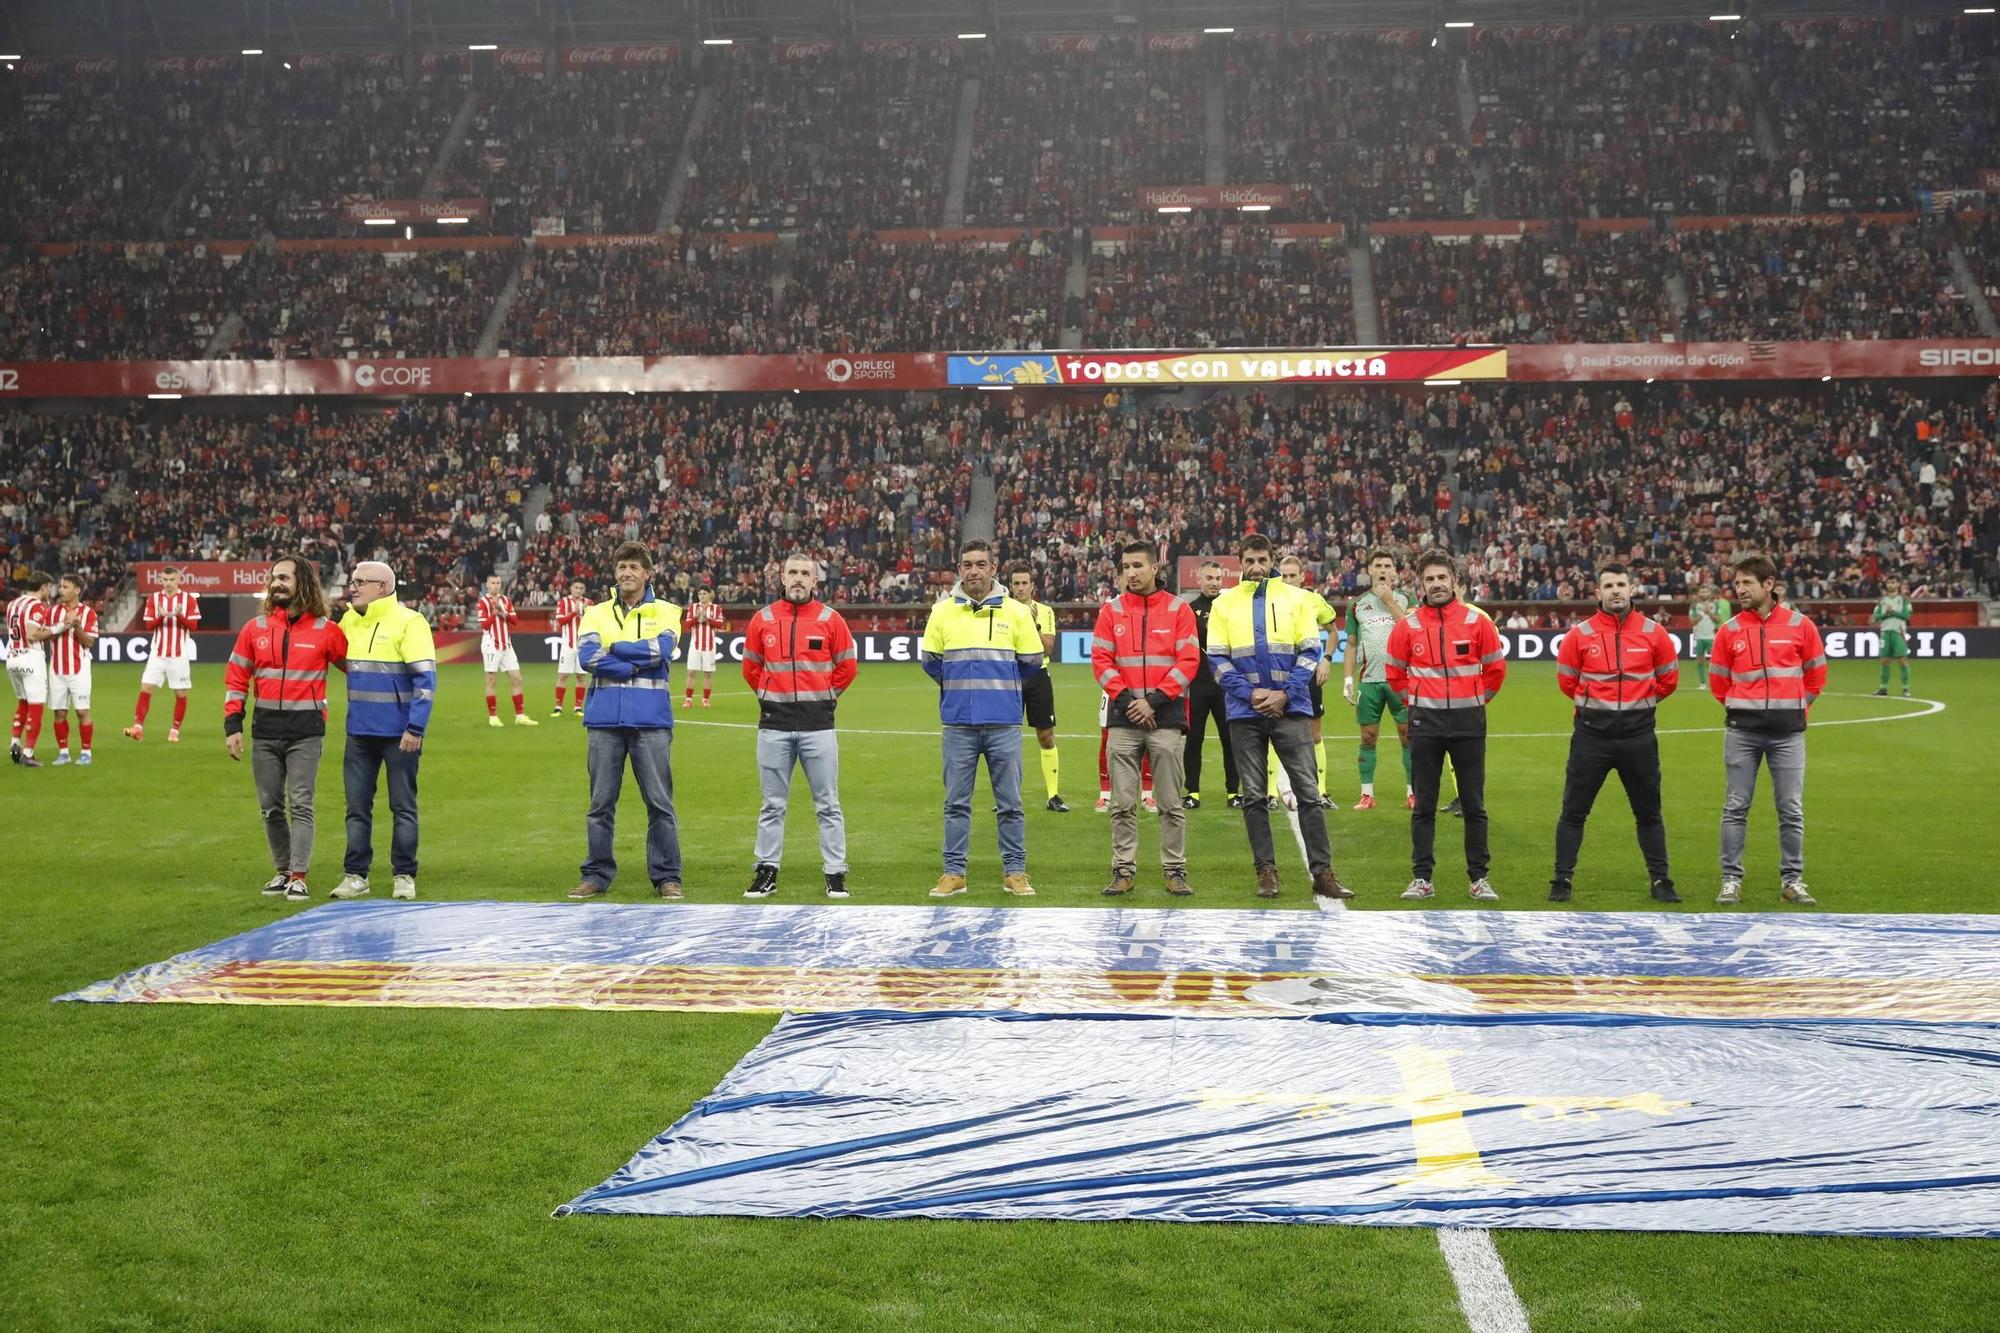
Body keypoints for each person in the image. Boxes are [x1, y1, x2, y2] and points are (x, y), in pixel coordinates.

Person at [1207, 534, 1352, 901]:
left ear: (1271, 559)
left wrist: (1283, 694)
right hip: (1245, 710)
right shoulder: (1224, 603)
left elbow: (1309, 652)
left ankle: (1323, 873)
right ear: (1239, 562)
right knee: (1254, 796)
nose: (1255, 566)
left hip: (1291, 708)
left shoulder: (1296, 599)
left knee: (1308, 793)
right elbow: (1216, 659)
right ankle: (1266, 871)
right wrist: (1251, 693)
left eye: (1261, 559)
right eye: (1249, 560)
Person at [1550, 564, 1681, 905]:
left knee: (1648, 811)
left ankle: (1660, 880)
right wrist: (1596, 704)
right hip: (1592, 737)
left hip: (1639, 738)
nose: (1616, 590)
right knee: (1574, 811)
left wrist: (1639, 704)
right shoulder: (1580, 635)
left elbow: (1669, 679)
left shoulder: (1654, 633)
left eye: (1621, 584)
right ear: (1598, 593)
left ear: (1632, 588)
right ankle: (1561, 879)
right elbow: (1567, 680)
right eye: (1608, 585)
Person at [921, 539, 1045, 899]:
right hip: (958, 724)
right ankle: (954, 873)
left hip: (1003, 723)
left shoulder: (1016, 612)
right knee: (956, 803)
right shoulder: (942, 611)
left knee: (1010, 803)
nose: (973, 570)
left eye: (980, 564)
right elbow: (930, 661)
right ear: (960, 569)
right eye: (967, 564)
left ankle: (1015, 872)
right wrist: (961, 691)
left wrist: (1002, 691)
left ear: (993, 569)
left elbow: (1032, 662)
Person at [1385, 549, 1507, 903]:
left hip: (1469, 722)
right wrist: (1417, 700)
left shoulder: (1477, 622)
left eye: (1442, 578)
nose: (1436, 584)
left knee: (1474, 804)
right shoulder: (1407, 625)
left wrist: (1475, 699)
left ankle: (1479, 879)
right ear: (1420, 586)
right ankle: (1422, 878)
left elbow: (1496, 670)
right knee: (1424, 805)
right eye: (1430, 579)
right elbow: (1394, 673)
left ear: (1455, 581)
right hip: (1426, 724)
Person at [223, 555, 347, 902]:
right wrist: (233, 724)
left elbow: (356, 668)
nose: (276, 583)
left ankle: (299, 875)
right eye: (274, 577)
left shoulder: (327, 631)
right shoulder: (255, 628)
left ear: (302, 582)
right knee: (270, 806)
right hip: (264, 731)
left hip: (306, 732)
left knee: (301, 803)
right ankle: (281, 872)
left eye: (284, 578)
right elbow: (236, 678)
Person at [569, 542, 684, 901]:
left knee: (660, 804)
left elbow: (661, 650)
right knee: (600, 804)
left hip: (650, 721)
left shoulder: (668, 611)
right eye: (621, 566)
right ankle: (596, 875)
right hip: (604, 721)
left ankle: (667, 877)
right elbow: (587, 656)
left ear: (647, 573)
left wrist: (614, 648)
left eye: (634, 566)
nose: (626, 573)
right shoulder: (594, 612)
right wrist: (633, 661)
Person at [741, 553, 859, 900]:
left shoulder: (830, 619)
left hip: (818, 726)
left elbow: (847, 667)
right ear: (782, 577)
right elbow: (751, 669)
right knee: (772, 804)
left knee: (828, 803)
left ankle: (835, 873)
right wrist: (769, 695)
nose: (798, 578)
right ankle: (767, 871)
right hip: (774, 726)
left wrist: (825, 696)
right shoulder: (762, 619)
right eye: (792, 572)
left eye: (804, 573)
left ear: (814, 581)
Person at [1710, 554, 1825, 907]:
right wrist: (1744, 707)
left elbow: (1816, 675)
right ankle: (1731, 880)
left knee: (1790, 809)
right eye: (1737, 583)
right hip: (1742, 732)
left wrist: (1791, 708)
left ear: (1769, 585)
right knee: (1735, 806)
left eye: (1746, 583)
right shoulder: (1728, 631)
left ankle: (1792, 881)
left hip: (1788, 734)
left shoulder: (1801, 625)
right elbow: (1718, 682)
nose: (1739, 589)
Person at [1093, 541, 1200, 897]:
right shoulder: (1111, 611)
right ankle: (1123, 870)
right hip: (1124, 720)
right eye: (1125, 566)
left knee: (1170, 802)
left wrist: (1152, 702)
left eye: (1138, 565)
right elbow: (1101, 662)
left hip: (1165, 718)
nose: (1131, 573)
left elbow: (1188, 662)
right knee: (1122, 803)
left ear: (1155, 568)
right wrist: (1129, 701)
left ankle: (1175, 870)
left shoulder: (1178, 609)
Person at [329, 561, 435, 902]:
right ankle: (356, 875)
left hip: (400, 733)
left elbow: (425, 680)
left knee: (402, 806)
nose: (353, 586)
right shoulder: (349, 620)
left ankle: (404, 875)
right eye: (352, 580)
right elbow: (340, 660)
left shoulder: (410, 621)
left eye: (361, 581)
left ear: (384, 587)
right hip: (359, 731)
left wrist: (415, 727)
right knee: (356, 807)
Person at [1342, 548, 1414, 810]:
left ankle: (1412, 792)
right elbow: (1350, 644)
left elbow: (1414, 630)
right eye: (1378, 566)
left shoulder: (1406, 598)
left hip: (1401, 679)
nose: (1383, 570)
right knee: (1368, 736)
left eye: (1387, 566)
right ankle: (1367, 794)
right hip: (1370, 680)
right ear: (1369, 570)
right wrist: (1348, 679)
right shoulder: (1357, 604)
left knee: (1408, 736)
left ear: (1394, 571)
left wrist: (1391, 603)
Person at [1275, 555, 1339, 811]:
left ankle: (1320, 790)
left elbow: (1333, 632)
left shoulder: (1314, 600)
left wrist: (1326, 659)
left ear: (1302, 577)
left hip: (1308, 673)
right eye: (1284, 575)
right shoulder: (1271, 600)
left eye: (1293, 575)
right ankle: (1270, 793)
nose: (1289, 580)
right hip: (1279, 672)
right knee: (1271, 731)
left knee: (1313, 733)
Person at [1005, 563, 1068, 812]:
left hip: (1038, 675)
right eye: (1016, 583)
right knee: (1006, 738)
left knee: (1045, 735)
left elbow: (1048, 648)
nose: (1020, 588)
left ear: (1033, 586)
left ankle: (1053, 795)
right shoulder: (1002, 611)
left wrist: (1032, 624)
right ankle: (1007, 796)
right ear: (1010, 586)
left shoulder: (1044, 611)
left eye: (1024, 583)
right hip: (1010, 676)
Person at [1181, 559, 1240, 810]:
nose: (1214, 583)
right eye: (1209, 578)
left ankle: (1233, 793)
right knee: (1194, 739)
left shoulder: (1231, 608)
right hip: (1198, 685)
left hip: (1226, 687)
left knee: (1230, 739)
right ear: (1199, 580)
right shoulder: (1189, 610)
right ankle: (1192, 792)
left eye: (1217, 578)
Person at [124, 566, 199, 743]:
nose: (168, 583)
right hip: (157, 653)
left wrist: (179, 615)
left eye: (172, 580)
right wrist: (162, 616)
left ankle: (174, 730)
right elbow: (149, 626)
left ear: (178, 580)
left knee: (180, 693)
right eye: (165, 580)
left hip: (178, 654)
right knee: (146, 688)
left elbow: (194, 626)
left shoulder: (188, 599)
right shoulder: (154, 599)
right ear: (161, 581)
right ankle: (138, 727)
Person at [45, 575, 99, 766]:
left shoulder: (88, 613)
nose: (61, 590)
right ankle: (63, 753)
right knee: (59, 713)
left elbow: (89, 642)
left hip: (79, 669)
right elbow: (44, 636)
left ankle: (86, 752)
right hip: (57, 669)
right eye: (60, 586)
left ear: (77, 591)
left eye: (65, 586)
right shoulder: (52, 612)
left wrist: (76, 626)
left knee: (82, 711)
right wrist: (60, 627)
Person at [6, 570, 56, 768]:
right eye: (49, 588)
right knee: (36, 706)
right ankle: (28, 753)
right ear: (43, 587)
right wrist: (58, 628)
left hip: (13, 658)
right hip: (31, 658)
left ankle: (14, 744)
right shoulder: (36, 605)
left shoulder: (13, 603)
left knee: (23, 703)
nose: (50, 592)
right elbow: (33, 634)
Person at [477, 574, 536, 728]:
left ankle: (520, 716)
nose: (496, 585)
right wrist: (493, 613)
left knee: (517, 679)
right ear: (487, 585)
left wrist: (503, 611)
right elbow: (485, 625)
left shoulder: (505, 601)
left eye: (498, 583)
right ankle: (493, 717)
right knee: (491, 681)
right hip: (491, 644)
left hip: (506, 644)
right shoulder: (483, 603)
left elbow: (515, 621)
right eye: (493, 583)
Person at [681, 585, 726, 709]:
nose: (702, 596)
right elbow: (688, 624)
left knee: (708, 673)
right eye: (700, 594)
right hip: (695, 645)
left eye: (704, 594)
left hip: (709, 646)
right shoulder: (693, 607)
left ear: (709, 594)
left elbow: (720, 625)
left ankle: (706, 699)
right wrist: (697, 618)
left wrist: (707, 619)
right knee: (691, 672)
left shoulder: (716, 608)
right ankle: (688, 699)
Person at [1870, 576, 1914, 698]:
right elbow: (1876, 617)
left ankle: (1906, 689)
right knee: (1884, 661)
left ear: (1898, 584)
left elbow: (1906, 616)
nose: (1890, 585)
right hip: (1885, 632)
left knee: (1902, 660)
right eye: (1888, 582)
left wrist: (1893, 612)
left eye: (1893, 582)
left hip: (1898, 632)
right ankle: (1883, 688)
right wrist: (1886, 614)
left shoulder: (1904, 599)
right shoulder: (1882, 600)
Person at [552, 578, 590, 717]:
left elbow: (594, 622)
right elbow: (561, 621)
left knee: (581, 676)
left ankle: (578, 707)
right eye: (576, 587)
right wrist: (574, 612)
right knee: (563, 675)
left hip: (583, 646)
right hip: (568, 644)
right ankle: (558, 707)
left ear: (583, 590)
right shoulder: (563, 602)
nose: (578, 590)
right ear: (571, 589)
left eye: (581, 588)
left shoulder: (588, 603)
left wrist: (586, 613)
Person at [1689, 583, 1729, 689]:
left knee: (1718, 661)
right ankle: (1702, 683)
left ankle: (1719, 682)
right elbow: (1692, 622)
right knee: (1700, 660)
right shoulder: (1694, 605)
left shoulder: (1715, 605)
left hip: (1711, 636)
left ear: (1709, 593)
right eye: (1702, 592)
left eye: (1705, 591)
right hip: (1699, 637)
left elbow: (1718, 619)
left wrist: (1709, 613)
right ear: (1698, 593)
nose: (1704, 593)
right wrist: (1702, 614)